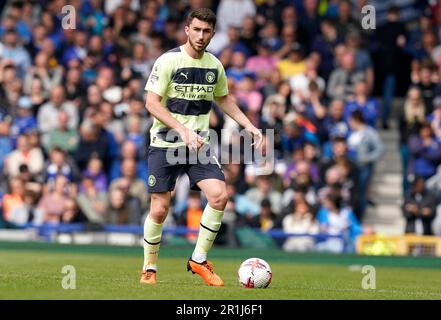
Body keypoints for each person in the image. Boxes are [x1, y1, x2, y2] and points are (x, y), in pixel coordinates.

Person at [140, 8, 262, 286]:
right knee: (160, 209)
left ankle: (198, 259)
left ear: (213, 33)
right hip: (165, 142)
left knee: (219, 196)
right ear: (187, 30)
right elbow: (151, 103)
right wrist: (181, 130)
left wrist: (250, 126)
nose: (201, 35)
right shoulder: (168, 60)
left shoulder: (214, 65)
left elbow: (225, 99)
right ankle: (149, 267)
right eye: (196, 29)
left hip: (198, 144)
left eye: (206, 31)